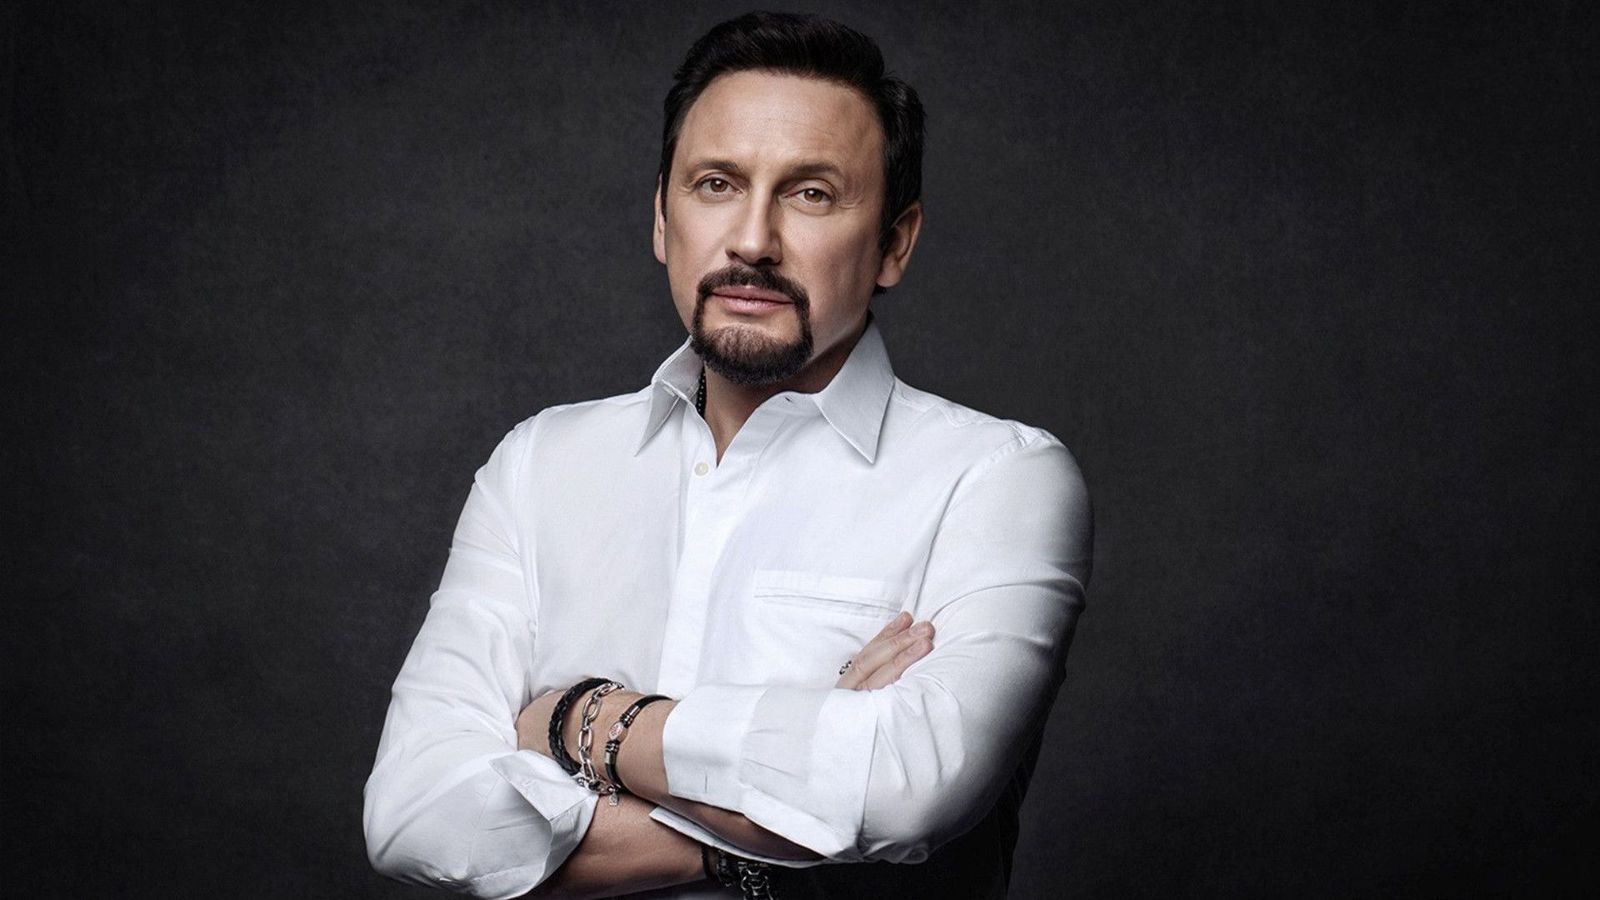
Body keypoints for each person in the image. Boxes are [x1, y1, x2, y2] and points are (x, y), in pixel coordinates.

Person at [363, 11, 1092, 899]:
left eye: (810, 193)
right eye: (716, 184)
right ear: (662, 218)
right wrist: (786, 813)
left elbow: (903, 790)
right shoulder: (539, 466)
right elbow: (414, 813)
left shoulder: (998, 480)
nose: (752, 240)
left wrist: (577, 723)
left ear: (894, 243)